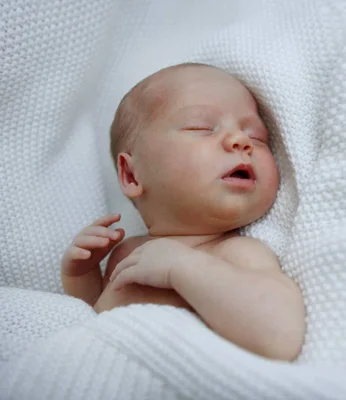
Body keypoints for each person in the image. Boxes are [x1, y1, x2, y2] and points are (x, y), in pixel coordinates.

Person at [60, 63, 305, 361]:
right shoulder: (125, 254)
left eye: (256, 136)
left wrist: (183, 269)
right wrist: (82, 277)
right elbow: (94, 324)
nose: (240, 141)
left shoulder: (236, 253)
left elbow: (281, 337)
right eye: (202, 128)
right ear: (133, 176)